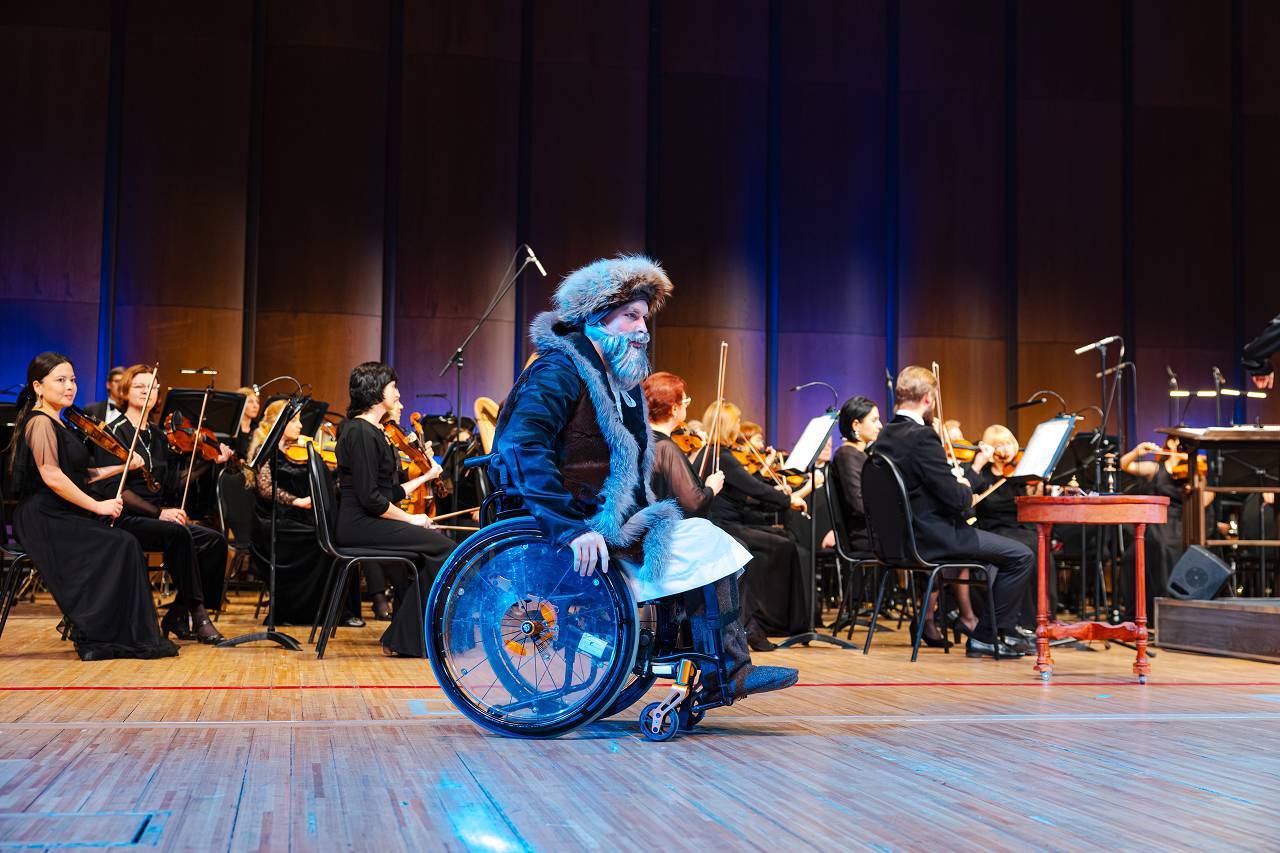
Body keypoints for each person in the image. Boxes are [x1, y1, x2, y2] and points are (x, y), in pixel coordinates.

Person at [491, 255, 797, 702]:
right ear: (595, 317)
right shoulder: (558, 370)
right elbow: (522, 448)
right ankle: (725, 671)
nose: (643, 329)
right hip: (567, 518)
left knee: (708, 540)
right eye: (631, 316)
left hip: (608, 515)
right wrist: (569, 527)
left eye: (644, 318)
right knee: (704, 541)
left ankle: (722, 668)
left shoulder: (619, 381)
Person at [5, 352, 178, 660]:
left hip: (59, 512)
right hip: (43, 517)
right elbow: (52, 476)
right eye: (60, 380)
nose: (70, 386)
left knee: (124, 542)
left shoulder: (59, 422)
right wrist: (98, 507)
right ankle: (100, 632)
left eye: (72, 380)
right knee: (121, 543)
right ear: (38, 387)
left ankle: (112, 632)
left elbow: (83, 475)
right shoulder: (39, 422)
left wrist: (123, 465)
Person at [869, 366, 1034, 658]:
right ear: (928, 399)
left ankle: (993, 629)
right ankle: (986, 636)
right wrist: (966, 482)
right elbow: (957, 500)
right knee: (1020, 555)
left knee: (1002, 555)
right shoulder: (922, 437)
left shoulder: (884, 437)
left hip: (896, 542)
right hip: (933, 539)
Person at [92, 364, 231, 644]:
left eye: (152, 387)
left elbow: (174, 483)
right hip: (124, 518)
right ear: (125, 392)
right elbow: (116, 491)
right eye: (139, 386)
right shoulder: (113, 433)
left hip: (158, 519)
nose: (147, 391)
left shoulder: (157, 435)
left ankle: (177, 611)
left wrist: (208, 460)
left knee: (215, 541)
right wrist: (160, 513)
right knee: (178, 533)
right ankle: (198, 615)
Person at [643, 371, 773, 651]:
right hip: (666, 538)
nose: (686, 407)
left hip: (652, 531)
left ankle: (724, 636)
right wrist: (712, 487)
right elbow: (695, 503)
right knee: (735, 553)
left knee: (734, 546)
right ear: (674, 409)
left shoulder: (644, 441)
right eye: (685, 402)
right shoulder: (665, 447)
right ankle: (722, 644)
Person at [334, 362, 455, 656]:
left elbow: (389, 493)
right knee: (445, 549)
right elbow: (372, 500)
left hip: (366, 520)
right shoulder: (360, 432)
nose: (399, 394)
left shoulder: (372, 432)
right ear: (376, 391)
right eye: (393, 388)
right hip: (359, 524)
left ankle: (408, 635)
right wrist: (411, 519)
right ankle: (405, 638)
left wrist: (425, 477)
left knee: (434, 551)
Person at [695, 400, 810, 640]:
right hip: (725, 527)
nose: (739, 427)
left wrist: (777, 495)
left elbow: (746, 488)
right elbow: (754, 488)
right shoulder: (721, 455)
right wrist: (787, 500)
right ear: (728, 425)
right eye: (736, 421)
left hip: (730, 522)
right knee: (784, 545)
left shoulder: (713, 453)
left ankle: (787, 618)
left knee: (784, 537)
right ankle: (772, 620)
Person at [246, 401, 349, 627]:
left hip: (297, 517)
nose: (300, 425)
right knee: (318, 539)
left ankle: (326, 612)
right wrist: (297, 501)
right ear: (278, 423)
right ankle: (295, 612)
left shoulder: (298, 448)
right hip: (272, 521)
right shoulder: (265, 449)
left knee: (331, 535)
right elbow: (265, 488)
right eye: (294, 421)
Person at [964, 424, 1045, 636]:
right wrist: (978, 465)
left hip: (1021, 526)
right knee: (1025, 549)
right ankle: (1020, 620)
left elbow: (1030, 503)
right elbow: (971, 497)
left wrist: (1038, 486)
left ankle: (1040, 617)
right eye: (999, 445)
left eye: (1009, 443)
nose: (1006, 449)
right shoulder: (982, 475)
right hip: (995, 528)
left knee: (1039, 545)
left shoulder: (1020, 473)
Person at [232, 386, 261, 461]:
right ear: (241, 403)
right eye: (250, 402)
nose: (256, 406)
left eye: (257, 402)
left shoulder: (259, 428)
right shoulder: (231, 427)